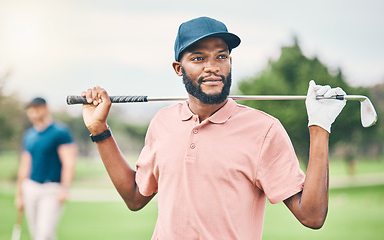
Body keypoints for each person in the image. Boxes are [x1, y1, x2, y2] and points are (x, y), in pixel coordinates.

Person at [80, 17, 346, 239]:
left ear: (230, 63)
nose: (212, 67)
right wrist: (99, 128)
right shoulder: (162, 122)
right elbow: (136, 198)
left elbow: (312, 216)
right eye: (198, 58)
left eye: (221, 56)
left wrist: (319, 126)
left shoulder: (264, 130)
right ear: (178, 68)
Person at [15, 97, 77, 240]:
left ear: (45, 108)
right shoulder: (29, 135)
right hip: (30, 188)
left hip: (51, 189)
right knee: (37, 234)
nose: (33, 114)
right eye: (30, 111)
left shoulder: (60, 132)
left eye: (36, 109)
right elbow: (25, 165)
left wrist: (65, 187)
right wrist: (19, 194)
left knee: (44, 235)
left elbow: (69, 162)